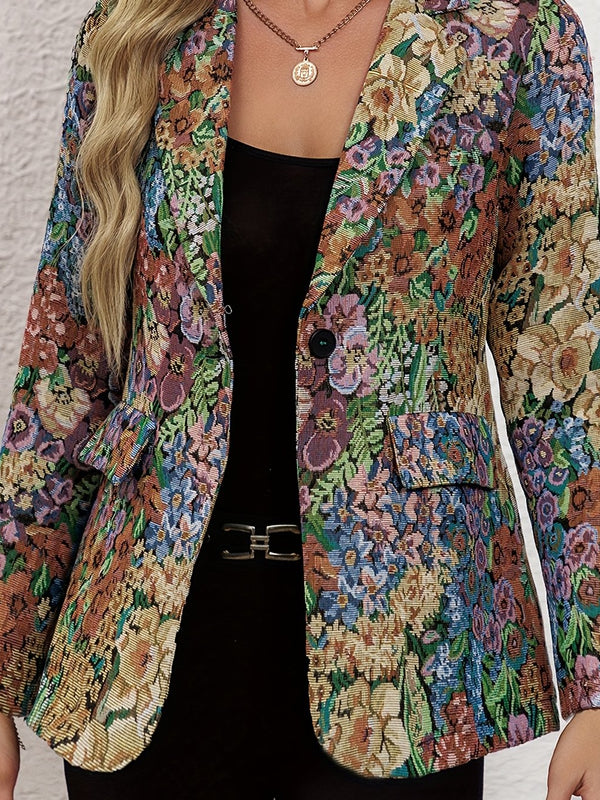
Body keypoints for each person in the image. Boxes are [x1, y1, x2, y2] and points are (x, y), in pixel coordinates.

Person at [1, 0, 600, 797]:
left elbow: (566, 385)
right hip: (143, 657)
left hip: (407, 673)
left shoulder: (516, 36)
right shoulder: (136, 31)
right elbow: (65, 367)